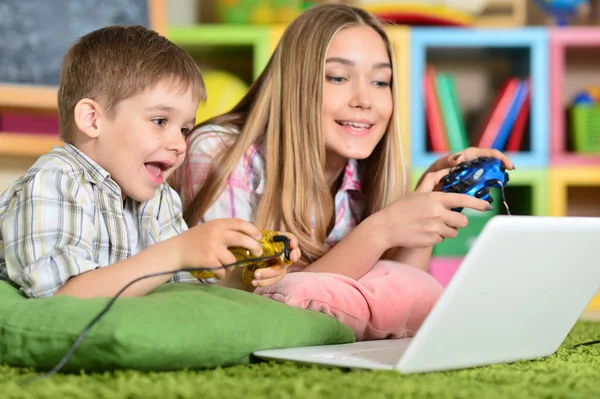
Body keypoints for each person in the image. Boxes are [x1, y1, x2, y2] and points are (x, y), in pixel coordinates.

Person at [172, 4, 514, 341]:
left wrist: (429, 203)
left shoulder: (364, 171)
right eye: (338, 77)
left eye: (381, 82)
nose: (364, 99)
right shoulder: (219, 151)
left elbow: (402, 289)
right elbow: (232, 307)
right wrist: (377, 232)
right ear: (296, 84)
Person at [0, 25, 299, 300]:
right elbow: (61, 295)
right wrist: (175, 253)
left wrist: (249, 272)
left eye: (184, 129)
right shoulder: (56, 180)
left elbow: (185, 291)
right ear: (92, 119)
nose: (179, 144)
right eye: (159, 121)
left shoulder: (160, 198)